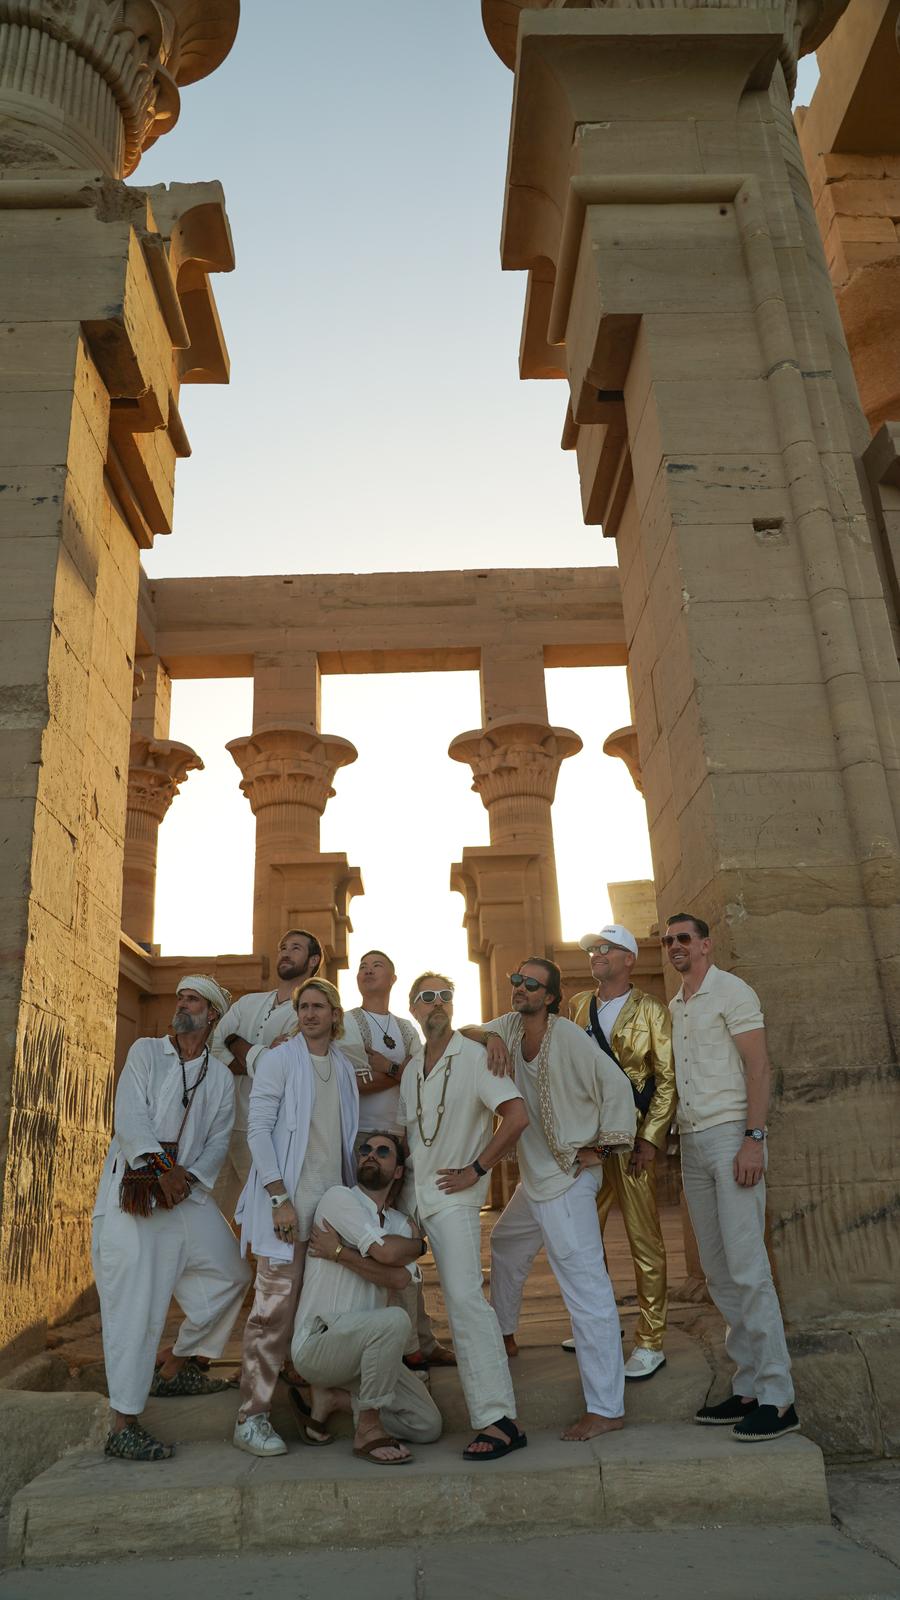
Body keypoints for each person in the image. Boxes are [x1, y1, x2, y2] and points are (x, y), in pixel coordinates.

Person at [476, 958, 637, 1441]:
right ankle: (504, 1332)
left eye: (530, 983)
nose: (518, 987)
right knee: (505, 1242)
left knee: (585, 1292)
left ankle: (606, 1407)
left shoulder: (567, 1037)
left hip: (568, 1177)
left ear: (549, 997)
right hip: (536, 1178)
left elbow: (616, 1087)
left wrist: (603, 1147)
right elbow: (466, 1029)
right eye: (515, 979)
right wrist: (490, 1039)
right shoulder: (505, 1026)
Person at [92, 975, 251, 1462]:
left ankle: (176, 1365)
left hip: (186, 1196)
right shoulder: (144, 1052)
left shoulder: (220, 1078)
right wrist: (161, 1171)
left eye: (194, 999)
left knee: (231, 1273)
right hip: (135, 1193)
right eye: (181, 996)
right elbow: (130, 1119)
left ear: (212, 1016)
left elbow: (219, 1140)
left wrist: (185, 1181)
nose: (183, 1004)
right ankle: (124, 1422)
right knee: (136, 1307)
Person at [664, 913, 800, 1442]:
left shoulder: (732, 991)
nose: (675, 946)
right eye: (668, 940)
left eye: (683, 938)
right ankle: (748, 1387)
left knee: (748, 1267)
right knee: (718, 1272)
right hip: (692, 1142)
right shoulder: (675, 1006)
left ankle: (779, 1397)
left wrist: (754, 1138)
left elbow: (759, 1068)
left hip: (731, 1137)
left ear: (704, 944)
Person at [399, 973, 529, 1461]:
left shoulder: (476, 1056)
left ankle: (499, 1419)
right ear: (413, 1007)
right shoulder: (413, 1068)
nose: (438, 1003)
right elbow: (406, 1140)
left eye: (446, 996)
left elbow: (516, 1117)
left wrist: (477, 1168)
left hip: (454, 1198)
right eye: (427, 996)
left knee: (464, 1300)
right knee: (383, 1283)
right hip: (414, 1197)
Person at [232, 977, 358, 1457]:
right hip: (284, 1210)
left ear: (334, 1014)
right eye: (303, 1006)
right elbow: (259, 1131)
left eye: (318, 1006)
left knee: (317, 1315)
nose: (309, 1014)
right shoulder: (279, 1061)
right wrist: (278, 1197)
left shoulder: (343, 1067)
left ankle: (314, 1406)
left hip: (327, 1214)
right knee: (271, 1316)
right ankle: (251, 1417)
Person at [290, 1131, 443, 1466]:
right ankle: (368, 1430)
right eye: (365, 1149)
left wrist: (340, 1252)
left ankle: (335, 1400)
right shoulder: (339, 1199)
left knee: (427, 1425)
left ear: (399, 1170)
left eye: (383, 1151)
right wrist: (398, 1252)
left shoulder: (403, 1226)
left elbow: (399, 1276)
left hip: (367, 1354)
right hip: (319, 1343)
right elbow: (386, 1254)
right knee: (395, 1321)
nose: (370, 1154)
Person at [565, 923, 676, 1380]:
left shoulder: (651, 1010)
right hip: (589, 1140)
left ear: (629, 959)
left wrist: (651, 1139)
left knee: (643, 1240)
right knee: (583, 1238)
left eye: (607, 949)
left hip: (630, 1139)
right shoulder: (576, 1006)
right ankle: (598, 1321)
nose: (597, 955)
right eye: (593, 949)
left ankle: (651, 1339)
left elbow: (666, 1080)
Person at [338, 948, 454, 1371]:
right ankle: (390, 1345)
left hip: (404, 1139)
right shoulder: (349, 1021)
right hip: (365, 1142)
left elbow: (416, 1070)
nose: (368, 970)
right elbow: (355, 1081)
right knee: (372, 1241)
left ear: (392, 978)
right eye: (362, 966)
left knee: (403, 1238)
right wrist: (397, 1069)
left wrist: (385, 1064)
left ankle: (419, 1339)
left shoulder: (406, 1026)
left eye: (377, 966)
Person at [211, 929, 322, 1217]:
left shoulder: (310, 1014)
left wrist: (235, 1043)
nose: (285, 952)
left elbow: (283, 1066)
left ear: (313, 961)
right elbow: (214, 1049)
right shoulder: (248, 1003)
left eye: (295, 948)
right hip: (223, 1124)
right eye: (282, 947)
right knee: (211, 1217)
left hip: (269, 1133)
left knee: (265, 1217)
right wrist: (258, 1056)